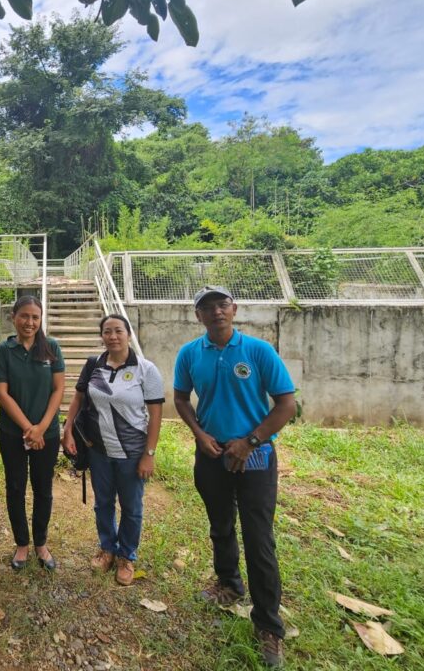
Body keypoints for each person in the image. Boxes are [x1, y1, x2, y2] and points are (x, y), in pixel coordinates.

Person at [173, 285, 297, 669]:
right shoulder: (190, 353)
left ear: (234, 309)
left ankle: (268, 626)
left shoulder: (258, 351)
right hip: (212, 454)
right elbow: (180, 398)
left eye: (222, 305)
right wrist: (201, 435)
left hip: (255, 456)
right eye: (207, 308)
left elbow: (286, 404)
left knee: (259, 538)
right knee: (220, 524)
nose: (216, 312)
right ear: (198, 316)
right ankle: (228, 583)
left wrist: (251, 440)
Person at [62, 314, 164, 587]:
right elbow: (79, 398)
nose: (113, 336)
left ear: (128, 334)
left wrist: (149, 454)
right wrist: (68, 429)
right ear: (102, 336)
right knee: (103, 502)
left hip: (132, 453)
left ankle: (126, 556)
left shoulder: (145, 369)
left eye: (118, 331)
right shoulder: (94, 365)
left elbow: (155, 416)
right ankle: (107, 548)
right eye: (107, 332)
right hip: (98, 450)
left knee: (131, 507)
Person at [0, 295, 65, 571]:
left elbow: (58, 389)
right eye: (24, 316)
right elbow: (1, 392)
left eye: (35, 317)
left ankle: (41, 544)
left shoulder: (52, 348)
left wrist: (42, 428)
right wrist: (27, 428)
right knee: (15, 487)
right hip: (12, 433)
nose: (30, 322)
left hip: (47, 433)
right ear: (13, 317)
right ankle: (22, 543)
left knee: (43, 489)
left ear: (41, 319)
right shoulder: (3, 351)